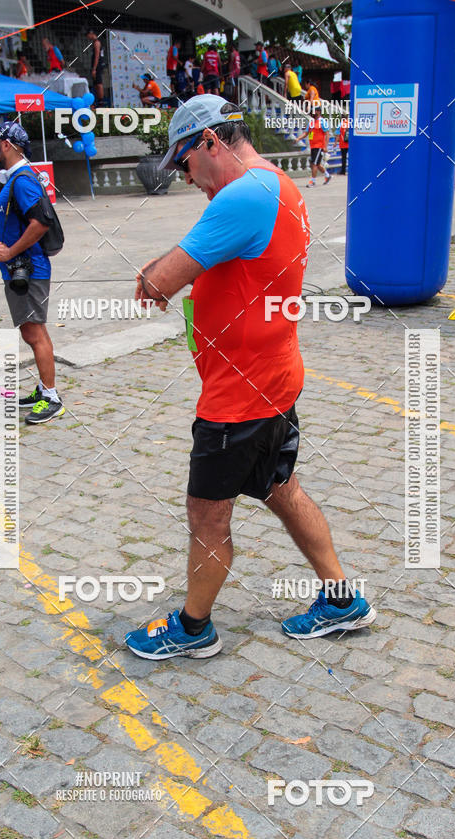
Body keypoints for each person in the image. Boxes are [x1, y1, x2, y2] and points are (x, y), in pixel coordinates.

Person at [124, 94, 375, 660]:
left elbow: (162, 284)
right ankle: (341, 600)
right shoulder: (276, 185)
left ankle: (193, 629)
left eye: (184, 163)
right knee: (282, 488)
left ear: (210, 142)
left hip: (239, 396)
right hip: (275, 377)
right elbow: (208, 253)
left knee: (207, 512)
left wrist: (157, 276)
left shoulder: (241, 198)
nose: (186, 178)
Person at [0, 121, 64, 425]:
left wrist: (11, 251)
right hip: (22, 269)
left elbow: (41, 221)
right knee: (30, 330)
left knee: (35, 332)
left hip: (29, 268)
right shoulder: (16, 179)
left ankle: (51, 397)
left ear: (7, 145)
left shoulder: (22, 180)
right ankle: (43, 390)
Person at [297, 109, 332, 186]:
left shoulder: (322, 122)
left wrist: (325, 147)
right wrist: (298, 138)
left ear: (319, 112)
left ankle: (313, 181)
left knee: (314, 164)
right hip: (313, 146)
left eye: (315, 111)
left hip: (319, 146)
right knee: (317, 163)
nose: (313, 112)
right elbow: (306, 133)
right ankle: (327, 175)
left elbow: (327, 134)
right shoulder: (311, 122)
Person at [87, 29, 105, 106]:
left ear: (91, 34)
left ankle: (101, 101)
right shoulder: (95, 42)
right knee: (95, 83)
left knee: (99, 83)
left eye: (88, 36)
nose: (88, 38)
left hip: (98, 66)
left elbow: (97, 56)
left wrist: (94, 68)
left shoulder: (97, 43)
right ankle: (97, 99)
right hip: (96, 65)